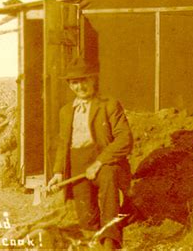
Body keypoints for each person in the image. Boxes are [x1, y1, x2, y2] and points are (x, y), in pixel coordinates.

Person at [47, 57, 133, 249]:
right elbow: (63, 144)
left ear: (93, 79)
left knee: (110, 185)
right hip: (77, 165)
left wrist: (99, 162)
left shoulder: (109, 105)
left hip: (104, 163)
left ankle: (110, 243)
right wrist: (58, 173)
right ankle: (96, 243)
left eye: (84, 80)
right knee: (87, 219)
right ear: (70, 85)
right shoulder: (66, 111)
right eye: (75, 82)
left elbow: (124, 139)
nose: (81, 86)